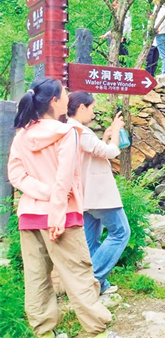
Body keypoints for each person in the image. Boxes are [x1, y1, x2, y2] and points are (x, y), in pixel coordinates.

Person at [8, 78, 112, 337]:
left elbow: (16, 175)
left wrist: (43, 193)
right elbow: (64, 180)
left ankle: (44, 332)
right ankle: (97, 330)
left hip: (30, 216)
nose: (68, 98)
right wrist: (55, 210)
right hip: (62, 216)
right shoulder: (66, 133)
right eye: (65, 94)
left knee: (36, 278)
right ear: (54, 101)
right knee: (79, 274)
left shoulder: (22, 135)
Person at [67, 92, 131, 296]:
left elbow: (93, 153)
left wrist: (105, 137)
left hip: (85, 195)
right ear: (81, 107)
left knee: (91, 242)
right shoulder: (79, 130)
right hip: (99, 195)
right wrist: (116, 132)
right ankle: (91, 281)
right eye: (92, 108)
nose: (93, 113)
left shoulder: (70, 129)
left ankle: (100, 285)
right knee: (121, 232)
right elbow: (111, 152)